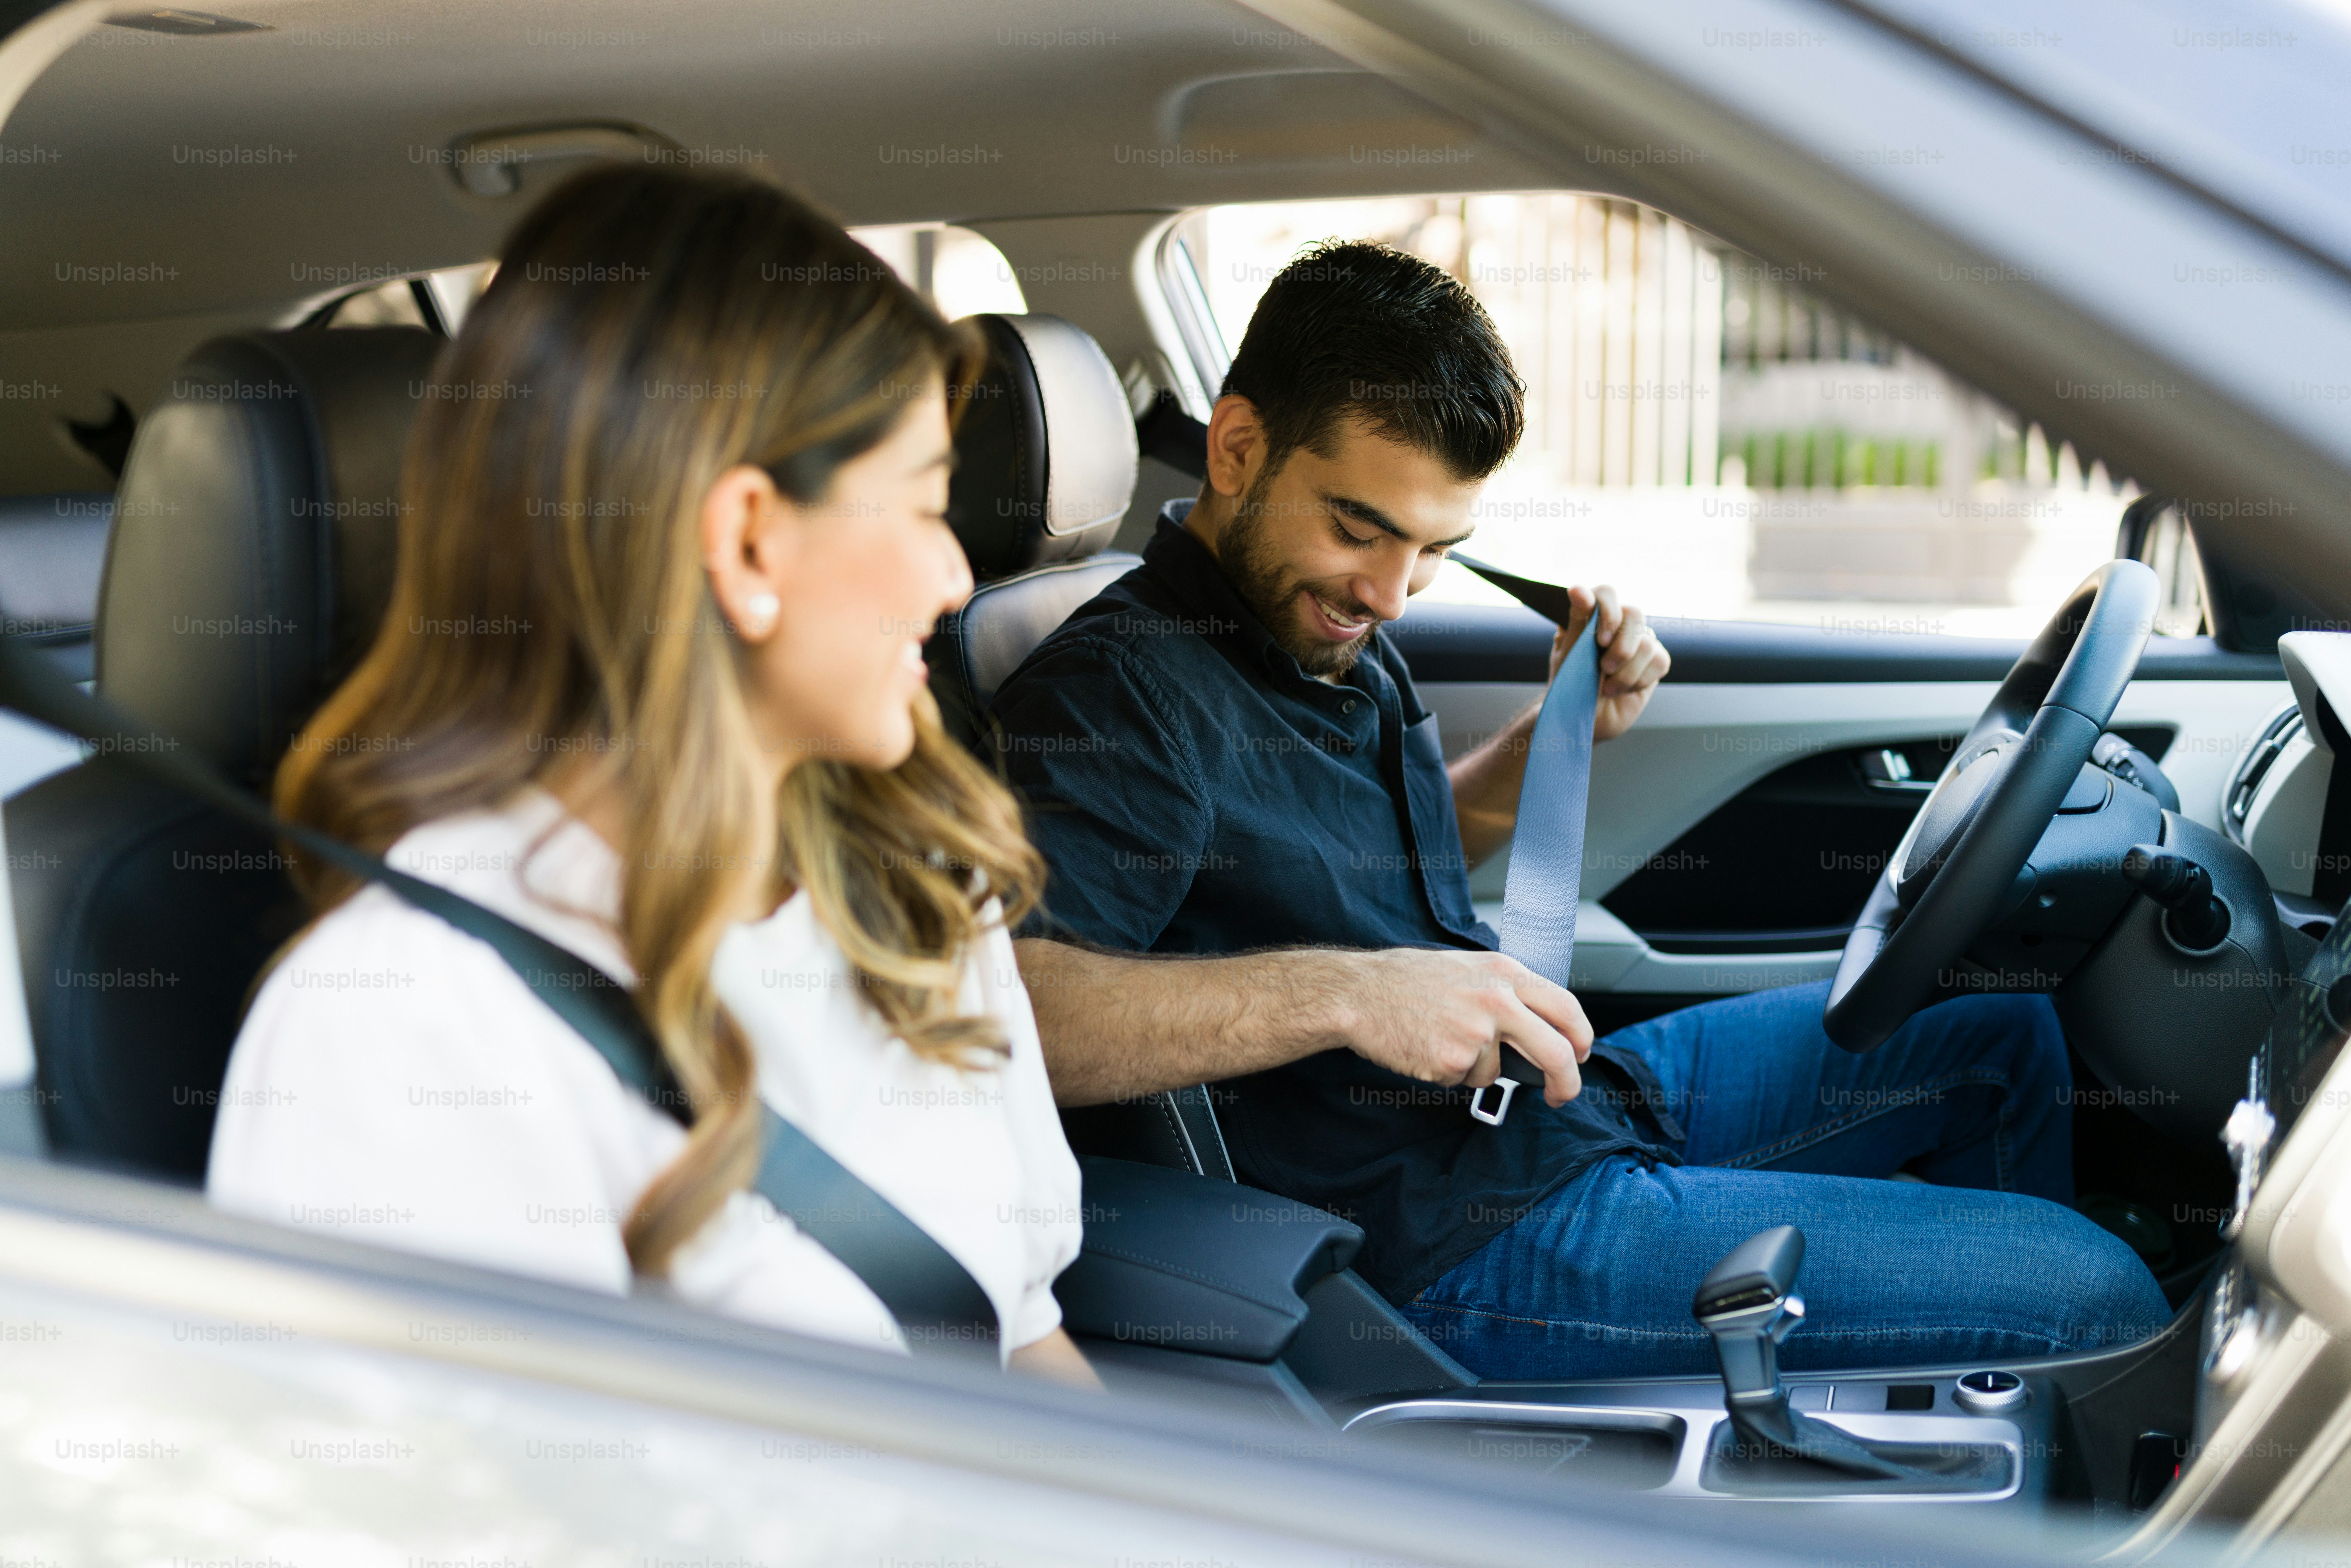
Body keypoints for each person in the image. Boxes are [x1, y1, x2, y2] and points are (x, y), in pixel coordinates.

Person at [990, 239, 2170, 1381]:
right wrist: (1350, 992)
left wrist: (1559, 732)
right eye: (1359, 527)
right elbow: (1016, 1013)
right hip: (1437, 1237)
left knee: (1997, 1034)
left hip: (1534, 1106)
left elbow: (1387, 855)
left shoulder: (1315, 628)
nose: (1392, 594)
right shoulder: (1117, 691)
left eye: (1435, 549)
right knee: (2097, 1289)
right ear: (1237, 449)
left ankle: (1970, 1401)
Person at [208, 165, 1094, 1385]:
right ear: (744, 540)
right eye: (925, 507)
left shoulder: (908, 883)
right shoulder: (407, 1029)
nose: (954, 580)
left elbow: (1023, 1341)